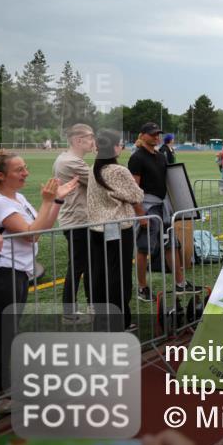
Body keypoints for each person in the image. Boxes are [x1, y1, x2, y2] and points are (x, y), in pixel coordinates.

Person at [0, 150, 78, 400]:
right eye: (19, 170)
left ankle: (2, 388)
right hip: (2, 274)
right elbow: (31, 234)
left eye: (25, 167)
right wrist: (46, 202)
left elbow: (41, 228)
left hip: (18, 272)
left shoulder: (18, 198)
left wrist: (56, 201)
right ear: (1, 175)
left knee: (7, 333)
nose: (26, 173)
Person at [129, 122, 199, 302]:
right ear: (142, 135)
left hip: (163, 208)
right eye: (152, 134)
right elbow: (134, 189)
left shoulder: (160, 156)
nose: (156, 136)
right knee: (144, 248)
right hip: (148, 209)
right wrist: (140, 213)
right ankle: (142, 288)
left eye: (158, 134)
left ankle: (180, 283)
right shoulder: (137, 157)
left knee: (171, 245)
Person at [89, 130, 145, 331]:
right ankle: (120, 319)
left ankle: (102, 318)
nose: (122, 146)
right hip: (117, 227)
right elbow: (137, 194)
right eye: (120, 143)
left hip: (96, 228)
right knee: (118, 275)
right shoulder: (117, 170)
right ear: (113, 147)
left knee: (100, 274)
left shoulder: (94, 169)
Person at [53, 123, 95, 322]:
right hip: (77, 221)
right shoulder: (72, 162)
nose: (93, 141)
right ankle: (70, 311)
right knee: (78, 266)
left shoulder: (67, 158)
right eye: (90, 137)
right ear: (78, 140)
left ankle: (89, 304)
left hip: (77, 220)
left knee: (85, 265)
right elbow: (100, 184)